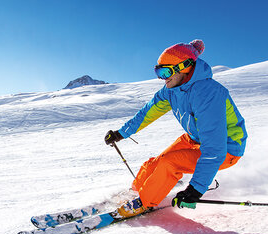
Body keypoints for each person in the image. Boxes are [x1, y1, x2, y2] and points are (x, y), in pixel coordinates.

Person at [105, 39, 247, 217]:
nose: (162, 78)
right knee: (157, 161)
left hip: (227, 148)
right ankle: (136, 191)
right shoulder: (171, 90)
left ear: (185, 67)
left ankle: (144, 202)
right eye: (158, 72)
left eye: (165, 72)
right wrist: (121, 133)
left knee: (169, 163)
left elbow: (215, 148)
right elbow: (148, 112)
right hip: (195, 138)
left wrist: (196, 189)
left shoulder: (208, 93)